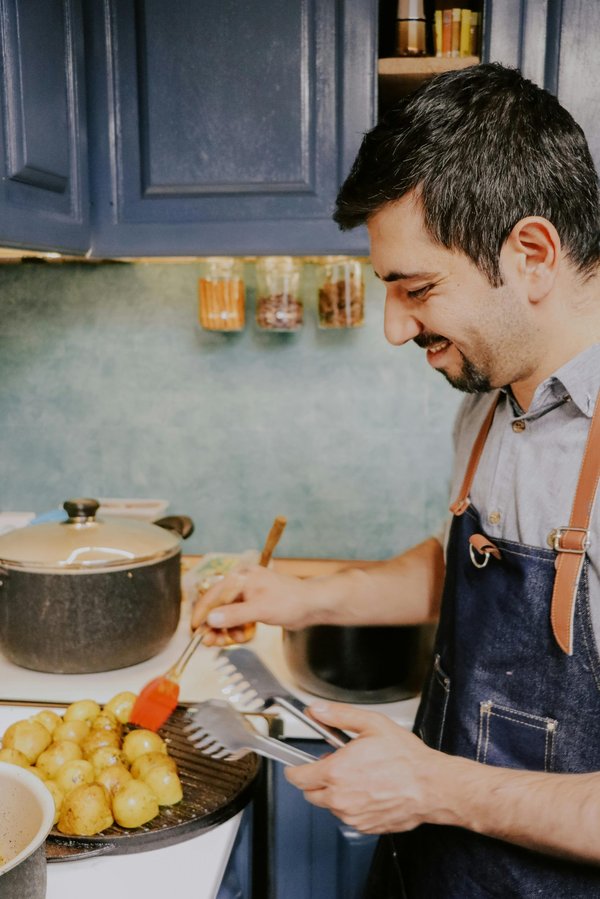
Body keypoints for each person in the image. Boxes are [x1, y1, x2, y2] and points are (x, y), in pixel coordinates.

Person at [192, 63, 600, 897]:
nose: (394, 326)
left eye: (417, 288)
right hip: (433, 868)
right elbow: (471, 572)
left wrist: (434, 785)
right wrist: (299, 597)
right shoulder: (489, 399)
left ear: (531, 254)